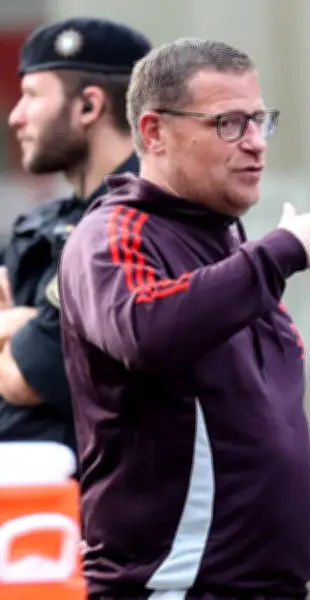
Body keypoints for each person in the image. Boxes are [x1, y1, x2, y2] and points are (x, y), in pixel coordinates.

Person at [58, 37, 310, 600]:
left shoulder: (233, 252)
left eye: (260, 121)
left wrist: (266, 258)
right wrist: (281, 252)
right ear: (154, 132)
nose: (255, 143)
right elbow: (145, 330)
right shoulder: (112, 233)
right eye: (228, 123)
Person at [0, 17, 150, 456]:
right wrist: (18, 328)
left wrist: (12, 326)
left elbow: (27, 378)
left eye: (31, 96)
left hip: (101, 492)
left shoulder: (137, 223)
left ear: (88, 106)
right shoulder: (45, 224)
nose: (15, 116)